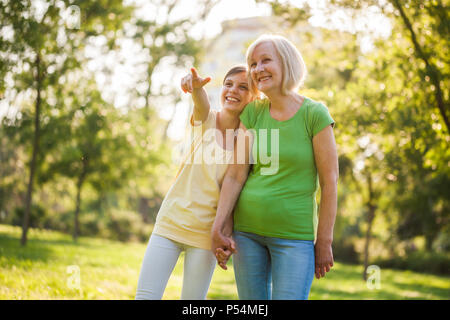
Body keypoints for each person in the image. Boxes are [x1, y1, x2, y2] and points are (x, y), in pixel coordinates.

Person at [211, 34, 338, 300]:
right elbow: (235, 175)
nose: (257, 69)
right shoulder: (254, 113)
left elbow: (329, 183)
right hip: (247, 235)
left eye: (265, 60)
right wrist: (219, 225)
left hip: (295, 237)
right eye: (253, 64)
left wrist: (324, 240)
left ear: (287, 62)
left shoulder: (315, 114)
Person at [135, 65, 255, 300]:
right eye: (228, 84)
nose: (233, 91)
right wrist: (196, 87)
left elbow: (234, 191)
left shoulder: (248, 139)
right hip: (171, 222)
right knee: (146, 297)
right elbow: (202, 104)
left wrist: (225, 232)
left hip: (206, 233)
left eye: (243, 87)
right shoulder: (207, 120)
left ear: (254, 96)